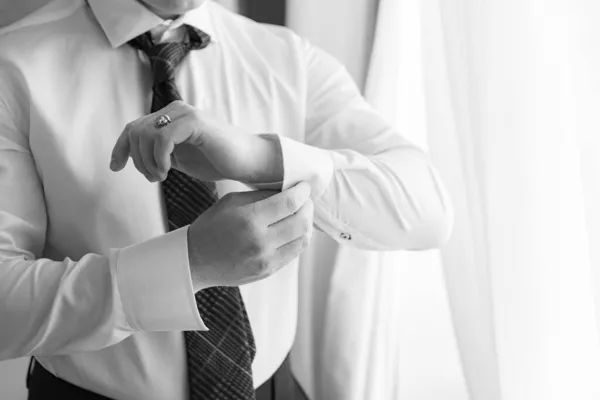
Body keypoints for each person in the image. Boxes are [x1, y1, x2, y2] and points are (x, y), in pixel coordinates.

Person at [0, 0, 453, 399]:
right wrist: (190, 264)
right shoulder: (13, 65)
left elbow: (428, 210)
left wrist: (262, 157)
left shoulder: (287, 58)